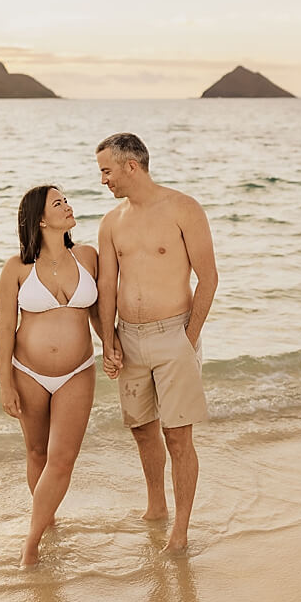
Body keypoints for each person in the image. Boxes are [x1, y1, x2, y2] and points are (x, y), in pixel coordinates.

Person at [95, 132, 218, 553]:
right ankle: (156, 507)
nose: (104, 180)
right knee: (142, 431)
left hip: (175, 336)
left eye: (107, 171)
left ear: (131, 166)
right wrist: (108, 340)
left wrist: (189, 338)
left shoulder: (184, 208)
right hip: (129, 339)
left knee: (178, 435)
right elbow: (106, 284)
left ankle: (180, 532)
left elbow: (209, 277)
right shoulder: (111, 222)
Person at [0, 185, 101, 567]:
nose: (68, 206)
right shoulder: (17, 268)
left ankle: (31, 543)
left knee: (61, 459)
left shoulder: (89, 257)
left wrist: (115, 346)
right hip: (28, 373)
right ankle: (48, 519)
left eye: (67, 200)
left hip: (78, 371)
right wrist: (6, 383)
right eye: (59, 203)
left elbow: (100, 315)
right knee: (37, 452)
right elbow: (5, 328)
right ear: (41, 219)